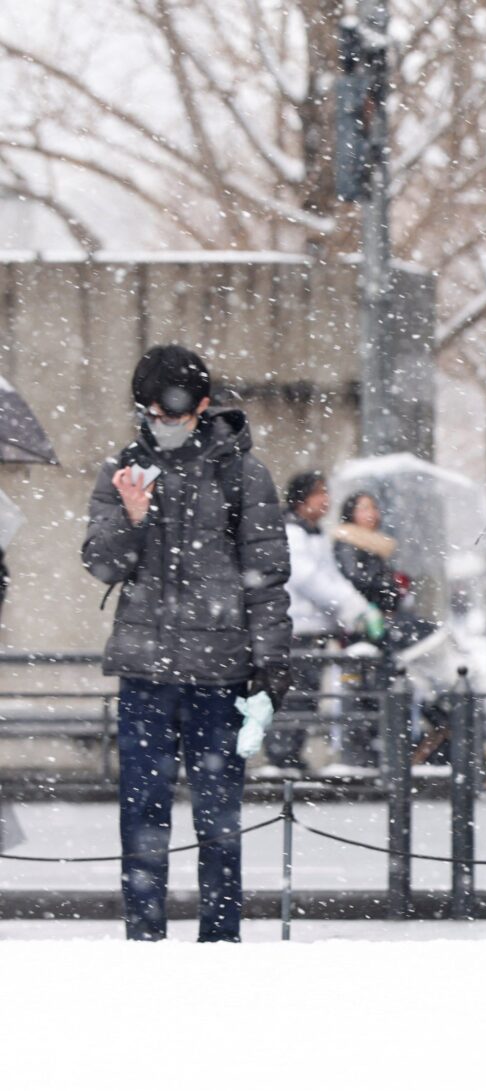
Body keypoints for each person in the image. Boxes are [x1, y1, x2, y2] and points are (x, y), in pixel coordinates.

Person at [81, 345, 291, 942]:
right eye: (150, 414)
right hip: (144, 674)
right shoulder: (124, 470)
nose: (161, 424)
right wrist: (131, 516)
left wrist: (271, 664)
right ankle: (144, 938)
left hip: (220, 675)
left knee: (218, 820)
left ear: (202, 406)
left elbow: (267, 578)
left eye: (172, 414)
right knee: (141, 815)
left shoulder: (241, 473)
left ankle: (219, 941)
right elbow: (102, 564)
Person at [270, 470, 385, 769]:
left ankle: (290, 754)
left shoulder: (316, 533)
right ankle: (283, 755)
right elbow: (310, 580)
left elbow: (331, 577)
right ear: (301, 499)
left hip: (315, 628)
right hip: (297, 626)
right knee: (294, 696)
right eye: (319, 493)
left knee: (307, 695)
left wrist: (356, 606)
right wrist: (351, 606)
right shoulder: (292, 534)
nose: (326, 500)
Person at [335, 491, 406, 617]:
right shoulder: (347, 541)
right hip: (364, 613)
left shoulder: (375, 544)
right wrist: (390, 585)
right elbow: (354, 577)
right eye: (364, 509)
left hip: (379, 611)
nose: (372, 514)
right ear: (351, 513)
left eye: (374, 508)